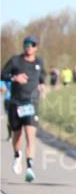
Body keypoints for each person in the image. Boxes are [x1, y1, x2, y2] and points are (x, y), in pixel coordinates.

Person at [2, 36, 48, 182]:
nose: (29, 46)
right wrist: (14, 78)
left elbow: (42, 77)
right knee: (17, 135)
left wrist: (42, 85)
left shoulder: (39, 62)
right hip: (16, 102)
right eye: (27, 44)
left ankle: (29, 167)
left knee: (30, 134)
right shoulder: (15, 60)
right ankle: (17, 155)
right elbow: (3, 74)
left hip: (31, 104)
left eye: (32, 44)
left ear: (36, 47)